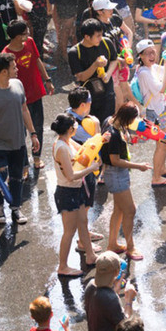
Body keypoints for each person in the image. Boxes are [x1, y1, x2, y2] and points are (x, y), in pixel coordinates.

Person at [0, 53, 38, 225]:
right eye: (14, 67)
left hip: (18, 142)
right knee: (0, 178)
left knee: (17, 178)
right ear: (3, 72)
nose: (17, 69)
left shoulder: (18, 84)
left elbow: (25, 110)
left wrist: (33, 134)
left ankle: (16, 209)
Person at [51, 113, 102, 278]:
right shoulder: (61, 148)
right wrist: (92, 167)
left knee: (83, 222)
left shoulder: (66, 141)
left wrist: (100, 140)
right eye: (75, 125)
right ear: (69, 129)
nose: (77, 128)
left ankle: (90, 255)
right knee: (69, 231)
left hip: (76, 189)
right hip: (67, 192)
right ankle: (63, 266)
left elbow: (84, 149)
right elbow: (71, 175)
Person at [100, 102, 151, 259]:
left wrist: (132, 138)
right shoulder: (114, 134)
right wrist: (138, 166)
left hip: (114, 173)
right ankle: (131, 248)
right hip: (116, 174)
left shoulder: (110, 120)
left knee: (119, 209)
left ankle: (112, 244)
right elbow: (114, 160)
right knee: (130, 210)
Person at [3, 20, 52, 172]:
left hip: (35, 92)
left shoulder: (30, 42)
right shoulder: (5, 54)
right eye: (25, 33)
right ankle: (24, 162)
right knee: (21, 132)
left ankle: (37, 157)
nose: (28, 35)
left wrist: (47, 80)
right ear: (17, 37)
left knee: (38, 127)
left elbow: (37, 61)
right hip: (18, 98)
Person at [133, 38, 166, 185]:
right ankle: (156, 177)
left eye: (153, 52)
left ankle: (162, 169)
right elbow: (161, 87)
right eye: (147, 53)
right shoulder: (144, 73)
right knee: (163, 142)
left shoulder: (150, 68)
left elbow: (165, 69)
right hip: (156, 112)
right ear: (140, 55)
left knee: (164, 141)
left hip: (160, 109)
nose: (151, 56)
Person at [84, 251, 137, 331]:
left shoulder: (90, 286)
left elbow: (105, 307)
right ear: (117, 272)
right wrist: (129, 300)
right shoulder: (111, 299)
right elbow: (125, 328)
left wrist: (115, 289)